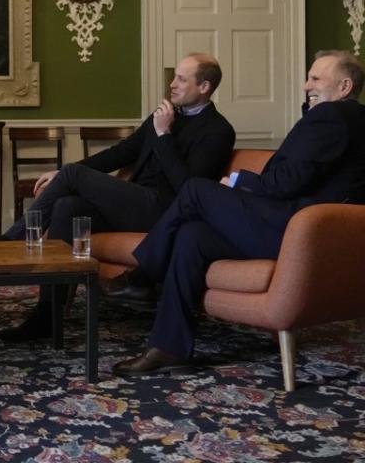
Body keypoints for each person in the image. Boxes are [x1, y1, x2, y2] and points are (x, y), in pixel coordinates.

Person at [110, 50, 365, 375]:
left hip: (297, 232)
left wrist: (238, 180)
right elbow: (305, 174)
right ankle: (168, 346)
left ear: (344, 86)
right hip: (305, 230)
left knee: (195, 190)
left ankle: (143, 274)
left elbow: (283, 183)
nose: (305, 85)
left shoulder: (332, 117)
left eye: (315, 79)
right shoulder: (348, 120)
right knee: (192, 236)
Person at [0, 53, 235, 342]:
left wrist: (163, 136)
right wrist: (60, 172)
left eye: (182, 79)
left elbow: (188, 188)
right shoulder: (165, 114)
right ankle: (48, 316)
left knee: (73, 175)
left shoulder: (218, 131)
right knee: (66, 206)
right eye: (174, 77)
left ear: (204, 87)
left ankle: (10, 242)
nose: (172, 84)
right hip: (135, 203)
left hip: (166, 211)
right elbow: (121, 153)